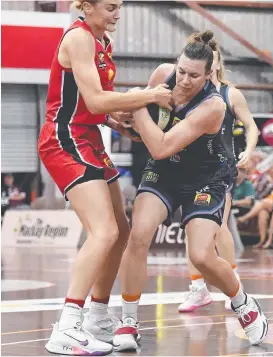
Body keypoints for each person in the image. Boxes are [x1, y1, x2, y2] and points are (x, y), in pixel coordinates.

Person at [113, 30, 268, 351]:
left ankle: (242, 303)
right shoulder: (162, 75)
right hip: (167, 171)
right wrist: (122, 118)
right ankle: (128, 321)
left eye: (193, 75)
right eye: (181, 71)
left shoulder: (214, 105)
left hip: (207, 176)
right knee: (139, 233)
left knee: (201, 255)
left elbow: (160, 145)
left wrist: (138, 105)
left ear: (209, 74)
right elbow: (146, 133)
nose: (183, 80)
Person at [38, 0, 172, 355]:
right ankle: (66, 326)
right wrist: (149, 96)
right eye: (111, 7)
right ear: (87, 6)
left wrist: (118, 124)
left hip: (89, 137)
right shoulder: (79, 39)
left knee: (121, 231)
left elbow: (92, 106)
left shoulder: (103, 43)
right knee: (105, 231)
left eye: (120, 7)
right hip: (64, 138)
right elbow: (96, 101)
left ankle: (98, 315)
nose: (117, 13)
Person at [178, 35, 259, 313]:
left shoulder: (230, 93)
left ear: (216, 64)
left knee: (221, 227)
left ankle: (232, 280)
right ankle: (198, 289)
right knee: (191, 229)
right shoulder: (189, 93)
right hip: (190, 169)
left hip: (221, 170)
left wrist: (248, 151)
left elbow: (252, 126)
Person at [238, 166, 273, 248]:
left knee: (270, 208)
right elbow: (270, 198)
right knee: (262, 212)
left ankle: (269, 240)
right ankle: (262, 240)